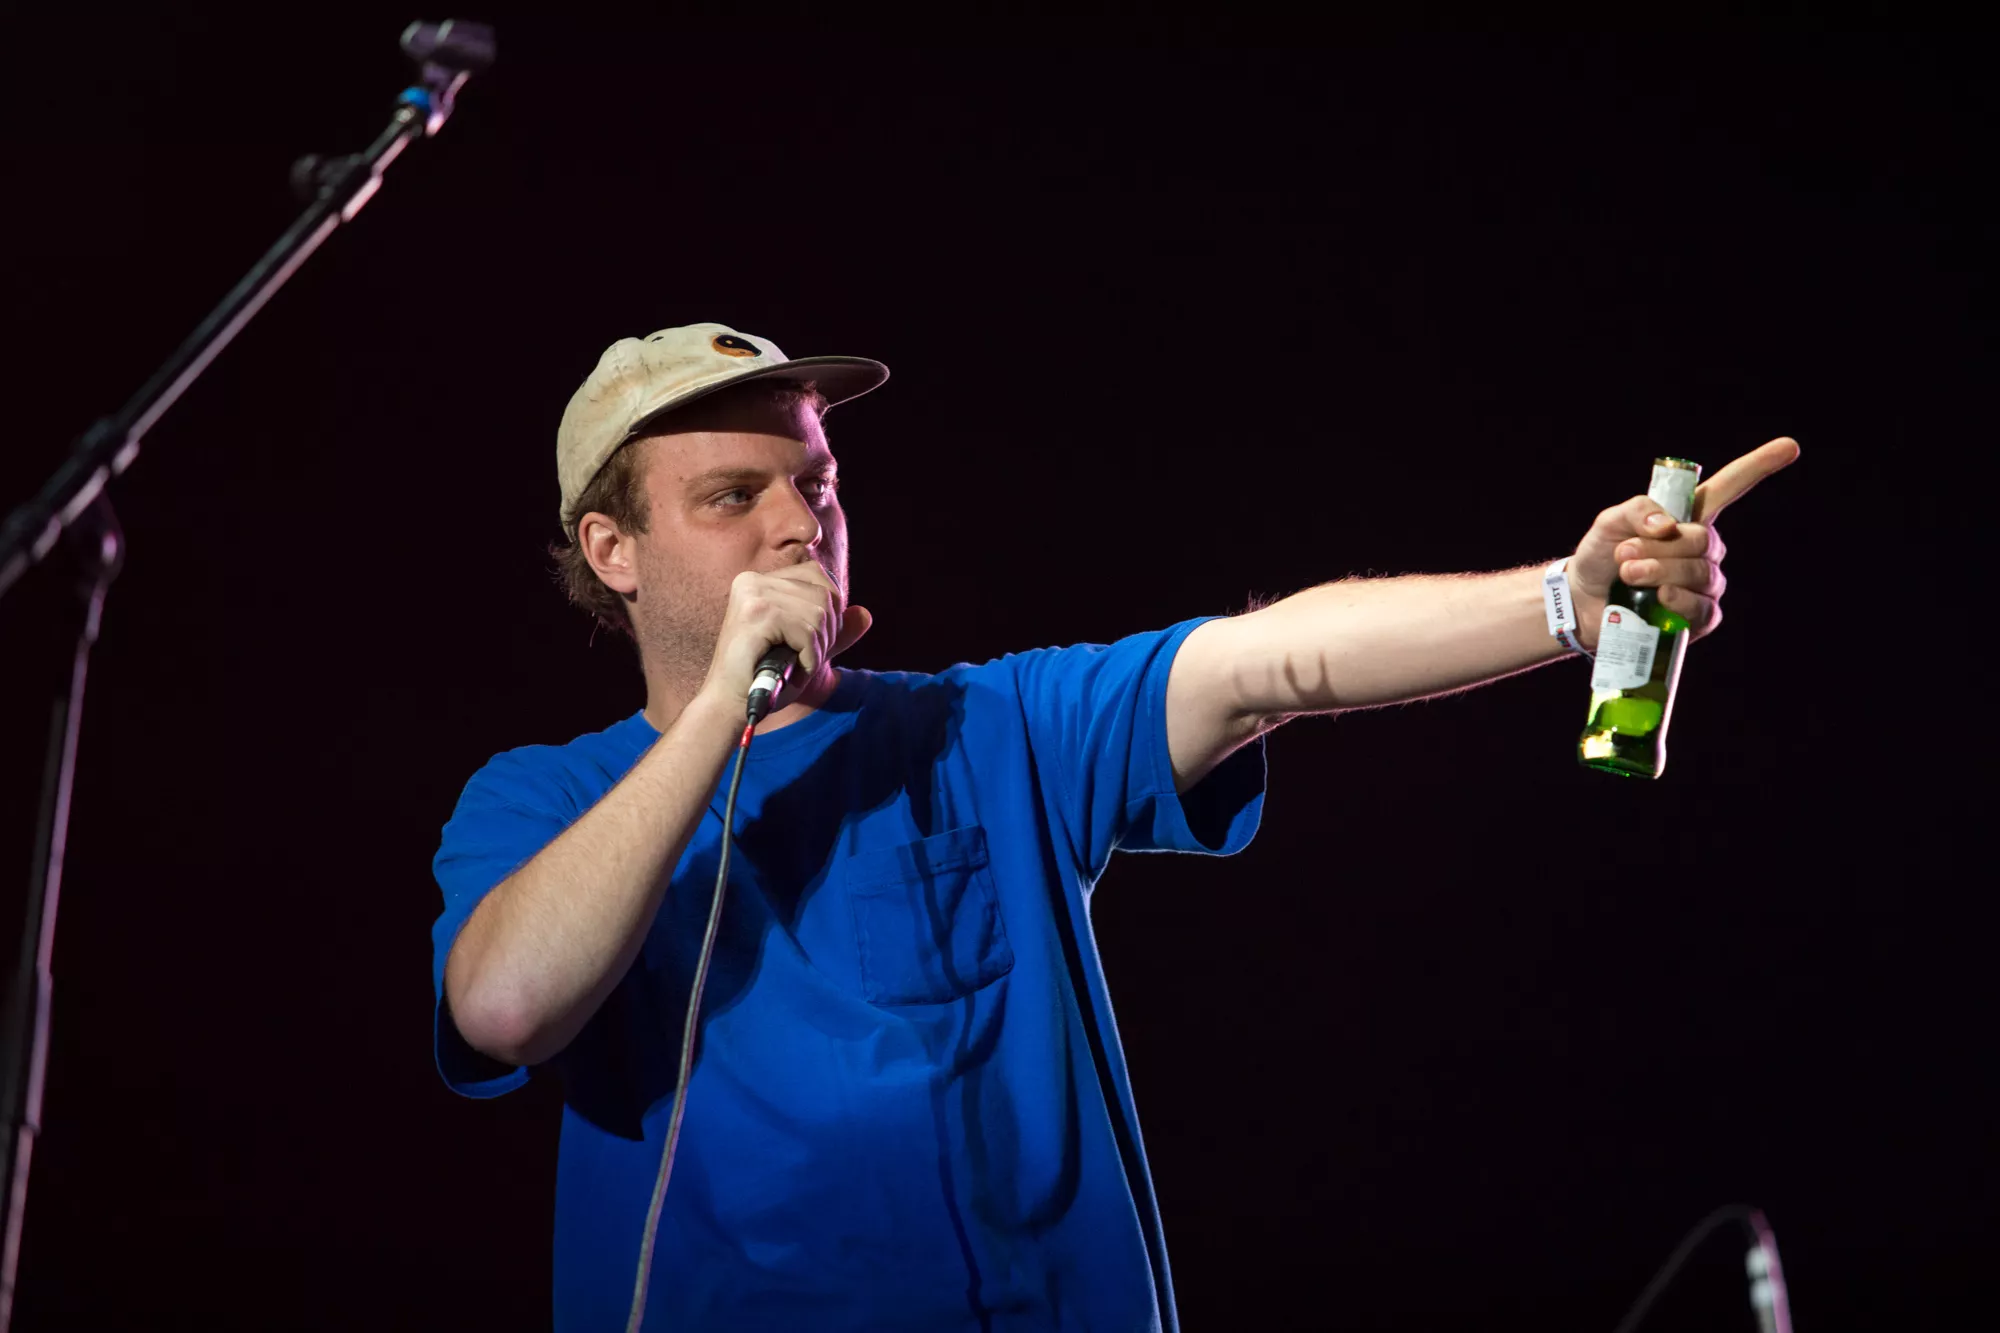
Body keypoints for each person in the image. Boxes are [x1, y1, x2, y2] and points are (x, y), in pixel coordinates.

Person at [430, 322, 1797, 1332]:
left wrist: (1564, 598)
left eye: (816, 483)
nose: (801, 525)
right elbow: (503, 1006)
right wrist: (723, 710)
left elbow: (1271, 660)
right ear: (613, 552)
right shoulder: (544, 800)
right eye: (735, 498)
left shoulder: (991, 726)